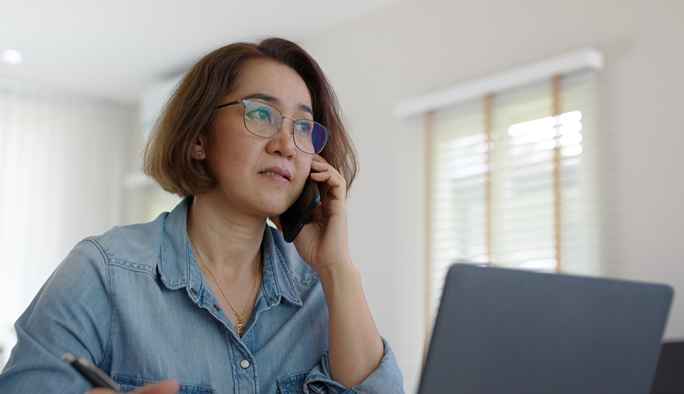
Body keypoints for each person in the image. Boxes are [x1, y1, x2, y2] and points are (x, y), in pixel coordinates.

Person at [0, 37, 404, 393]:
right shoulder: (103, 271)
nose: (286, 144)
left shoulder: (320, 290)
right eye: (261, 114)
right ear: (198, 139)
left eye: (303, 126)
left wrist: (337, 270)